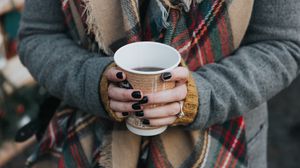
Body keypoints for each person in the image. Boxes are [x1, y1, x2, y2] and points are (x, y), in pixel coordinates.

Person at [18, 0, 300, 167]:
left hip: (221, 149)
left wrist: (200, 96)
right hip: (87, 147)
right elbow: (39, 35)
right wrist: (93, 83)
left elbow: (282, 44)